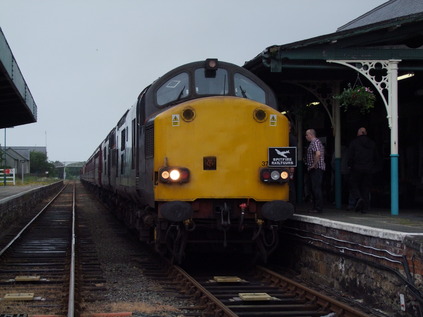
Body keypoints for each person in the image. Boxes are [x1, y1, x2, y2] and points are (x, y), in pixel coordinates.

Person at [348, 127, 377, 213]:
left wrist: (349, 165)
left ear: (358, 133)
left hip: (357, 168)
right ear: (365, 133)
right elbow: (376, 156)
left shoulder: (354, 143)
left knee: (353, 184)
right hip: (368, 168)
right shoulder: (372, 143)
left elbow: (351, 156)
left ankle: (358, 198)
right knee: (366, 188)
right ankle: (365, 208)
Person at [305, 129, 326, 213]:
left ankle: (318, 207)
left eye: (306, 135)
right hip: (315, 169)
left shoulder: (315, 142)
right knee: (314, 188)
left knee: (316, 188)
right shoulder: (315, 142)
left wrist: (314, 165)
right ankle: (315, 207)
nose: (306, 137)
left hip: (316, 169)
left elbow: (317, 153)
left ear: (310, 135)